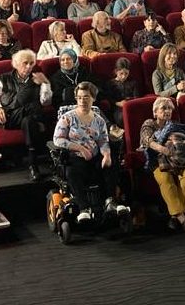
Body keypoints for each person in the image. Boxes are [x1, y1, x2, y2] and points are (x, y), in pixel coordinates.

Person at [52, 81, 129, 222]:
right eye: (80, 97)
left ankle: (110, 201)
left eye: (86, 97)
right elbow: (58, 139)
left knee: (111, 163)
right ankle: (84, 208)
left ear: (93, 98)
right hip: (75, 156)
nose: (82, 100)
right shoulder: (67, 117)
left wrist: (106, 155)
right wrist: (80, 148)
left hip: (94, 156)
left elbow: (103, 140)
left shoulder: (99, 120)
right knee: (72, 172)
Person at [0, 49, 52, 181]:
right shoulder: (3, 79)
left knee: (29, 121)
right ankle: (38, 120)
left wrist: (46, 84)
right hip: (10, 117)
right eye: (25, 63)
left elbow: (46, 102)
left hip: (27, 119)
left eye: (31, 63)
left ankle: (33, 165)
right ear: (16, 64)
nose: (28, 67)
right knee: (33, 108)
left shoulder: (37, 78)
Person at [139, 97, 185, 231]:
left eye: (170, 108)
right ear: (155, 112)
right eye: (163, 108)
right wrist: (163, 149)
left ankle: (175, 215)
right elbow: (147, 140)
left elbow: (184, 141)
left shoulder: (174, 125)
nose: (167, 111)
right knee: (165, 179)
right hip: (157, 161)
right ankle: (182, 217)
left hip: (176, 161)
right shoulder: (149, 124)